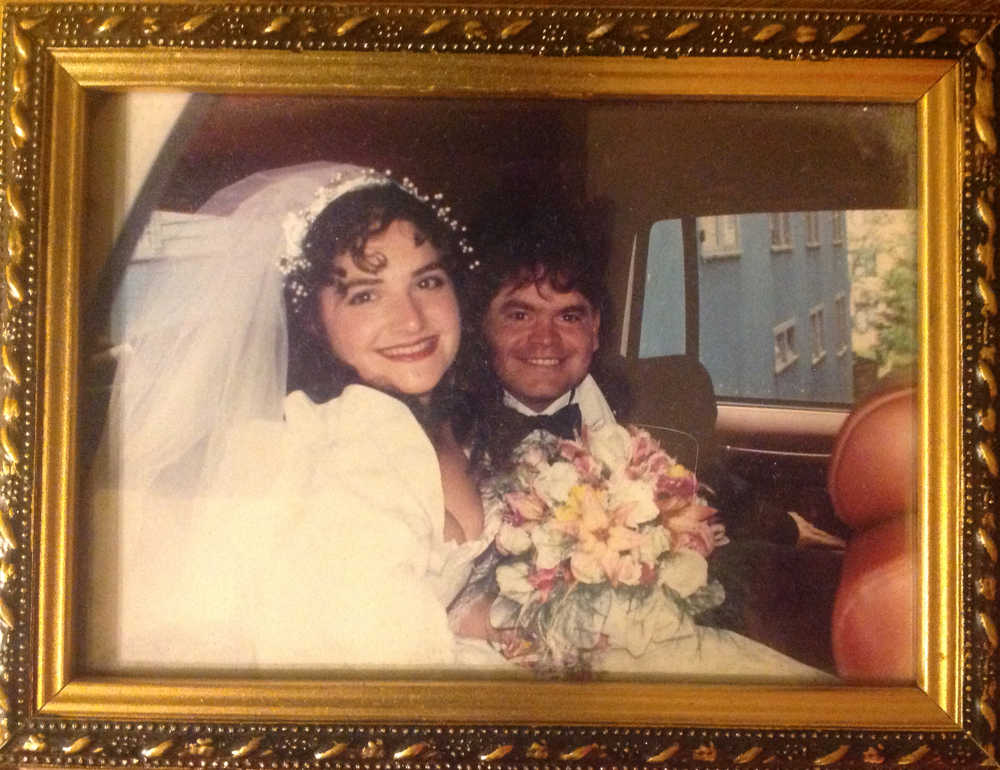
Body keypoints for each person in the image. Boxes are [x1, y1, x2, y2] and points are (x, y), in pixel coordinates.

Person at [82, 162, 502, 671]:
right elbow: (372, 674)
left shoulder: (456, 423)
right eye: (365, 294)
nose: (411, 319)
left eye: (428, 281)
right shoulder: (322, 449)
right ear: (312, 320)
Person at [457, 203, 837, 680]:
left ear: (595, 329)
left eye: (569, 316)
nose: (545, 340)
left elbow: (710, 487)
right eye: (519, 314)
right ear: (482, 327)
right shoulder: (448, 426)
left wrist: (788, 529)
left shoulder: (661, 402)